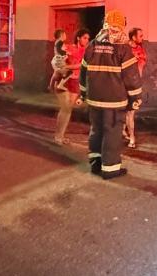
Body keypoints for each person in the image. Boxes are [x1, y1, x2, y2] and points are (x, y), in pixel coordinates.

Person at [79, 10, 142, 180]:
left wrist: (83, 93)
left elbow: (83, 73)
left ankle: (95, 163)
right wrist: (135, 97)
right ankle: (110, 169)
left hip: (94, 99)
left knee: (96, 130)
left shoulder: (92, 45)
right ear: (121, 26)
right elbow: (131, 77)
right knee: (112, 132)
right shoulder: (123, 48)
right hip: (114, 101)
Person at [53, 28, 90, 145]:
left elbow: (81, 65)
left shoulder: (86, 51)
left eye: (88, 38)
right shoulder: (68, 47)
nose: (87, 40)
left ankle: (61, 135)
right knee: (64, 108)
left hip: (75, 81)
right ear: (78, 38)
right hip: (64, 80)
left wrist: (67, 67)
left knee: (68, 109)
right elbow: (59, 58)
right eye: (84, 38)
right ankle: (58, 136)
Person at [123, 27, 147, 148]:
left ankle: (132, 137)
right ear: (133, 37)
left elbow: (140, 68)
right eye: (140, 36)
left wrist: (138, 83)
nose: (142, 38)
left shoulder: (140, 50)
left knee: (130, 112)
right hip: (122, 84)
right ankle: (124, 131)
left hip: (133, 86)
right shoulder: (123, 48)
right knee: (123, 111)